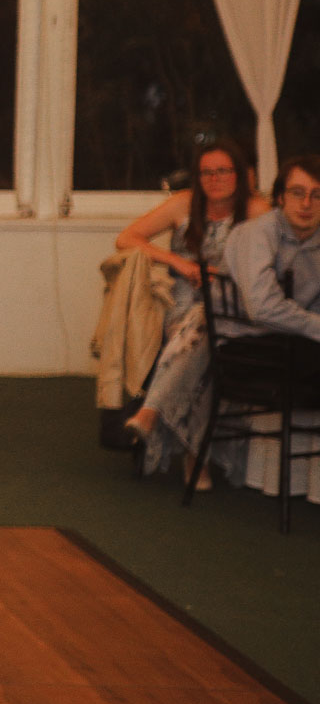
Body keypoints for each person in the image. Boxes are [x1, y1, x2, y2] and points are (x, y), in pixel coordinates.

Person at [118, 141, 268, 487]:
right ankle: (194, 460)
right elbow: (127, 238)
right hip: (183, 308)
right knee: (204, 338)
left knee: (209, 330)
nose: (214, 179)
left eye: (223, 171)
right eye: (207, 172)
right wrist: (178, 263)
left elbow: (270, 266)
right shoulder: (183, 203)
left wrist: (231, 274)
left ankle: (152, 414)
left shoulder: (257, 210)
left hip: (234, 306)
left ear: (241, 175)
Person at [224, 153, 320, 353]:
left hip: (296, 336)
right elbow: (262, 307)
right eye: (297, 192)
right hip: (241, 339)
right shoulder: (257, 232)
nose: (306, 204)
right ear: (280, 197)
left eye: (317, 195)